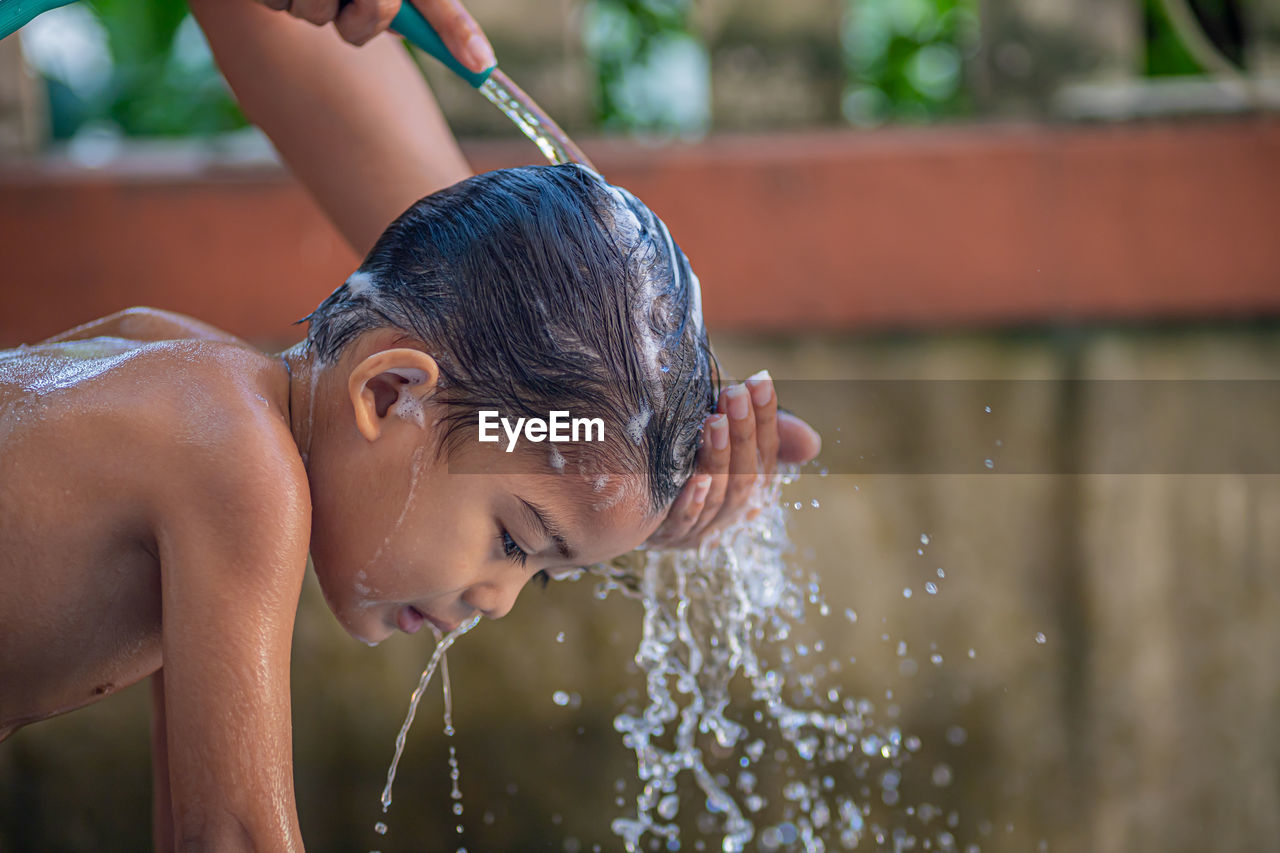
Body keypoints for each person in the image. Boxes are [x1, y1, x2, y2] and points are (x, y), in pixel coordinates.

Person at [0, 163, 780, 849]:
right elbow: (231, 837)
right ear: (388, 394)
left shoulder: (185, 388)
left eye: (540, 574)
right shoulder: (239, 470)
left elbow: (190, 827)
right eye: (515, 541)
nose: (499, 602)